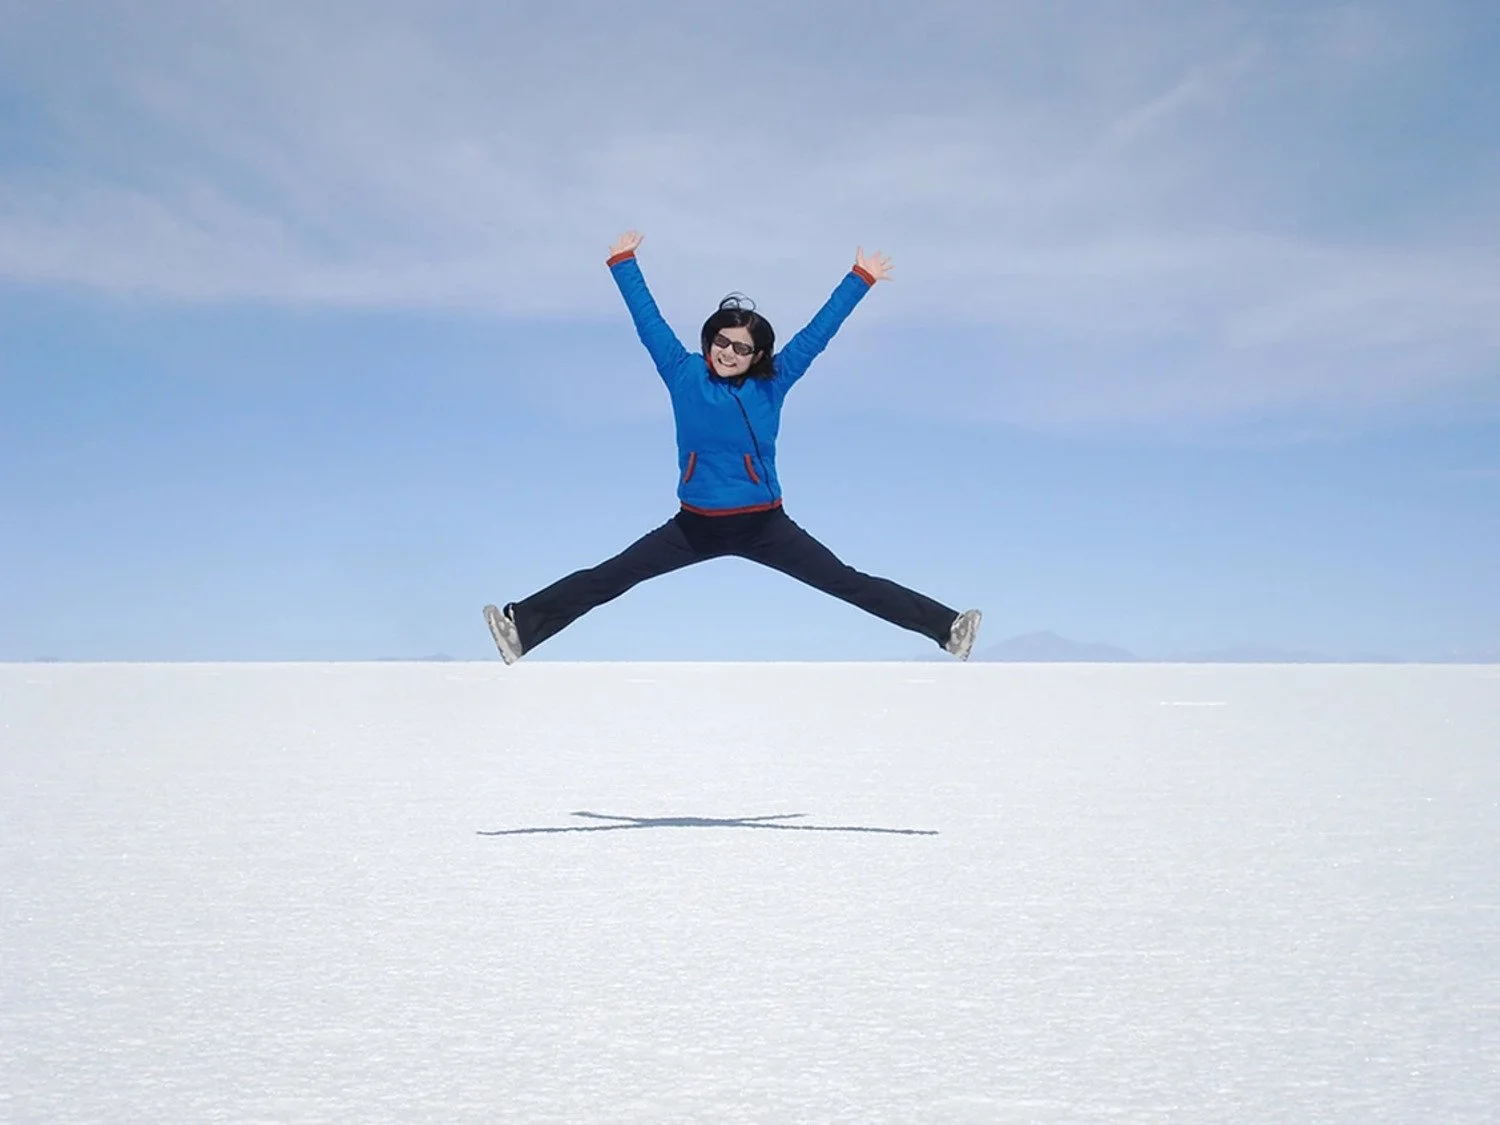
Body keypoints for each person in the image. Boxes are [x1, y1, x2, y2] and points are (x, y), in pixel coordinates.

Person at [483, 230, 982, 663]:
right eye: (722, 341)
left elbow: (818, 333)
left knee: (846, 582)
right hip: (694, 525)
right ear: (709, 341)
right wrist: (623, 264)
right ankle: (522, 627)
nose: (729, 352)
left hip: (766, 525)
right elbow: (648, 322)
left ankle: (948, 629)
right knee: (611, 576)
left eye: (742, 347)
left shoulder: (774, 382)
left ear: (757, 354)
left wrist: (860, 278)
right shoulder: (682, 374)